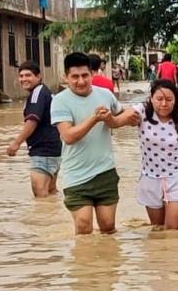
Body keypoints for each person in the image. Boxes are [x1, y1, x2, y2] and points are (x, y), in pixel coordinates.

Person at [116, 80, 178, 230]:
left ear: (176, 101)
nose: (164, 104)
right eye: (159, 99)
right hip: (150, 179)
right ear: (151, 98)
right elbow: (125, 117)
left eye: (169, 100)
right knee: (157, 229)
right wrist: (113, 119)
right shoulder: (142, 112)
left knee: (172, 229)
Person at [50, 52, 124, 235]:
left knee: (108, 226)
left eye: (85, 75)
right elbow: (68, 136)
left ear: (92, 74)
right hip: (76, 175)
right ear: (65, 77)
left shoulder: (106, 95)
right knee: (83, 226)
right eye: (75, 77)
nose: (81, 81)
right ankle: (83, 263)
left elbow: (123, 116)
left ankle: (107, 262)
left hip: (105, 171)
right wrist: (95, 119)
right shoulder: (59, 101)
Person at [7, 61, 62, 198]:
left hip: (43, 151)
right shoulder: (44, 92)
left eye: (28, 75)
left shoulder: (37, 94)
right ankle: (56, 218)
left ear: (38, 77)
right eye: (21, 76)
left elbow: (32, 121)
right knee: (51, 193)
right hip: (53, 149)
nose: (24, 79)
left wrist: (17, 143)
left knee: (40, 195)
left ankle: (45, 220)